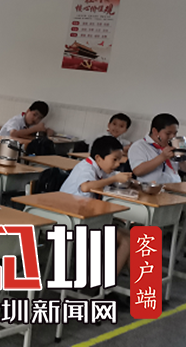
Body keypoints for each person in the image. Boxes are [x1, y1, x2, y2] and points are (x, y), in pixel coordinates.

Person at [60, 136, 131, 280]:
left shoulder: (100, 168)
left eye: (120, 160)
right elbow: (86, 187)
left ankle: (139, 284)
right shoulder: (86, 168)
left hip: (87, 218)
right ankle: (104, 284)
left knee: (134, 237)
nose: (118, 164)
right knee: (127, 242)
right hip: (71, 220)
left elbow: (111, 178)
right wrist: (114, 179)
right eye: (115, 159)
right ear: (98, 158)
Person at [128, 113, 182, 184]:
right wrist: (162, 157)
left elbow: (183, 169)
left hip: (175, 186)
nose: (172, 137)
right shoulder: (139, 146)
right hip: (152, 188)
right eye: (168, 133)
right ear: (155, 131)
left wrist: (183, 156)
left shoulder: (171, 146)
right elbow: (138, 171)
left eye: (175, 133)